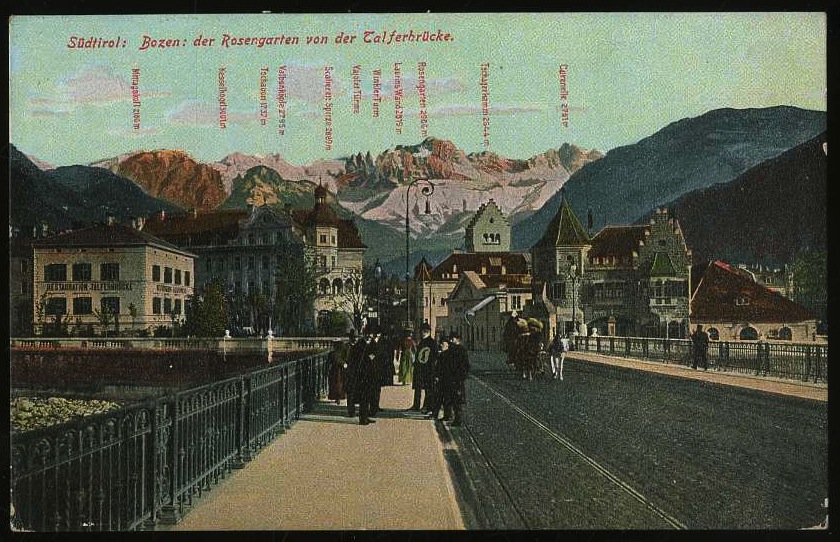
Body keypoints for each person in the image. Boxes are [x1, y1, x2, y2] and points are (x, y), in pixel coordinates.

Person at [441, 331, 470, 426]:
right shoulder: (454, 349)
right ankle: (448, 415)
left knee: (456, 400)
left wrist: (462, 376)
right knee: (449, 397)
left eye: (452, 338)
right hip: (451, 377)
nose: (451, 340)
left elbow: (466, 365)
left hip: (457, 378)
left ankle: (457, 419)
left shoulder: (460, 350)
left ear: (457, 339)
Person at [412, 323, 436, 411]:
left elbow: (433, 357)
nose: (422, 333)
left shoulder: (432, 342)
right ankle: (416, 405)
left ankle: (426, 406)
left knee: (428, 389)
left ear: (428, 332)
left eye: (424, 331)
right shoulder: (422, 341)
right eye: (422, 331)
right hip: (420, 368)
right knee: (418, 388)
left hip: (427, 369)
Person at [426, 336, 448, 420]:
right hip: (440, 380)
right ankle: (435, 414)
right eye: (441, 344)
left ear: (447, 345)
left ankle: (446, 416)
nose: (441, 345)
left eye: (443, 344)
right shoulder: (440, 354)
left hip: (446, 380)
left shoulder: (448, 355)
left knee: (445, 400)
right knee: (437, 398)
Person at [327, 339, 347, 404]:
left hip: (336, 370)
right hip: (338, 370)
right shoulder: (340, 353)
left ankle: (337, 397)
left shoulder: (333, 353)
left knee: (336, 384)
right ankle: (338, 397)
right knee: (338, 384)